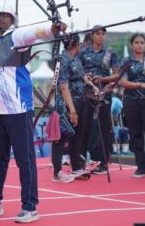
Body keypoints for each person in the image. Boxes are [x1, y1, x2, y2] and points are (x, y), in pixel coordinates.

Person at [0, 6, 67, 223]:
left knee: (25, 160)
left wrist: (53, 28)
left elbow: (36, 32)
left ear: (12, 19)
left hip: (18, 110)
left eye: (5, 16)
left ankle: (30, 207)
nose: (1, 19)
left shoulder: (17, 36)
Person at [79, 25, 119, 174]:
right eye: (98, 34)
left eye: (103, 34)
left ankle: (104, 162)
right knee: (84, 126)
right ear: (92, 36)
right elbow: (78, 71)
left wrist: (103, 78)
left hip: (104, 92)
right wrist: (87, 78)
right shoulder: (83, 52)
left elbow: (116, 74)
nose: (101, 36)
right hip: (86, 92)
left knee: (105, 128)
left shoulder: (110, 52)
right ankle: (81, 161)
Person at [52, 34, 90, 182]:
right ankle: (57, 171)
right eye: (78, 43)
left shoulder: (76, 58)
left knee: (77, 135)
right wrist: (72, 110)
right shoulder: (63, 59)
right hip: (68, 103)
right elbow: (63, 87)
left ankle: (76, 168)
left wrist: (91, 84)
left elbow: (82, 77)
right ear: (75, 44)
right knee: (61, 137)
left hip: (81, 100)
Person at [120, 33, 145, 178]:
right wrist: (140, 84)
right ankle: (142, 166)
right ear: (132, 45)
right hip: (131, 101)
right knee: (136, 134)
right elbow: (122, 82)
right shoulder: (127, 61)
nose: (139, 45)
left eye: (142, 42)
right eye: (136, 42)